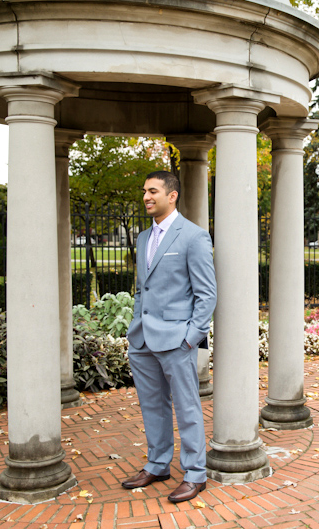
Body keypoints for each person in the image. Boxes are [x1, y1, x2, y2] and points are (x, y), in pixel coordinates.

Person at [121, 170, 216, 504]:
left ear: (171, 195)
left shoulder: (194, 237)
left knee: (188, 408)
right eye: (145, 191)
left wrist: (191, 337)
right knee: (152, 407)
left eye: (153, 191)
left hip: (177, 340)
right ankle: (158, 464)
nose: (147, 197)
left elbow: (207, 294)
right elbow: (141, 290)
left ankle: (195, 474)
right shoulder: (143, 238)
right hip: (143, 340)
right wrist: (135, 327)